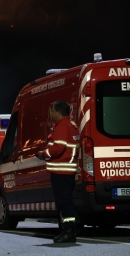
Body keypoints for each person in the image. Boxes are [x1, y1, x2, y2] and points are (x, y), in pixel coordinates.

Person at [36, 100, 80, 243]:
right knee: (66, 202)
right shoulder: (72, 125)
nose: (50, 113)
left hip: (61, 171)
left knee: (64, 203)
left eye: (52, 111)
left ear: (59, 113)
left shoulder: (61, 126)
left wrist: (44, 153)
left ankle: (69, 231)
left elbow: (58, 148)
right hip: (68, 170)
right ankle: (68, 230)